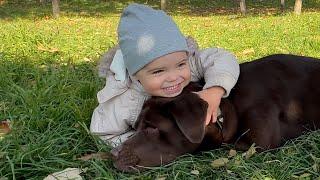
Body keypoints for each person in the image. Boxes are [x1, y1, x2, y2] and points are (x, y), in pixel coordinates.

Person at [90, 3, 240, 147]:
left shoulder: (190, 63)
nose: (174, 77)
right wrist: (146, 138)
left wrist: (215, 90)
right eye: (158, 71)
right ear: (135, 74)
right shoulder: (124, 100)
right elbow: (103, 134)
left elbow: (223, 58)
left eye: (180, 65)